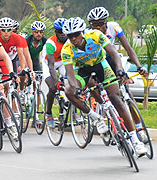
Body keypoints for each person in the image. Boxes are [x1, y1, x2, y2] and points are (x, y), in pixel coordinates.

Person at [61, 17, 147, 156]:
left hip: (102, 65)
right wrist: (76, 88)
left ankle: (136, 141)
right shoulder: (67, 49)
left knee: (116, 97)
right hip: (82, 71)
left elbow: (113, 53)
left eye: (76, 34)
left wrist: (119, 69)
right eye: (70, 36)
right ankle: (96, 117)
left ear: (82, 32)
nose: (74, 38)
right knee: (69, 91)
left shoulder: (95, 35)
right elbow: (70, 74)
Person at [87, 7, 148, 142]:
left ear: (106, 22)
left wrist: (139, 66)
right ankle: (108, 117)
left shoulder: (114, 27)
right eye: (94, 25)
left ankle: (139, 128)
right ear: (90, 25)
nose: (97, 27)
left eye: (101, 24)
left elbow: (128, 48)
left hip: (113, 60)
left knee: (126, 94)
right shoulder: (87, 33)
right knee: (101, 92)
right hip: (97, 63)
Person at [41, 18, 67, 126]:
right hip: (48, 63)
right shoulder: (50, 43)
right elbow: (51, 66)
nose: (62, 34)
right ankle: (48, 113)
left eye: (64, 31)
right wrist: (56, 82)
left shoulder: (71, 40)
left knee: (72, 82)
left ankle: (73, 111)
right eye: (59, 32)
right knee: (53, 87)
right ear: (56, 32)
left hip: (61, 62)